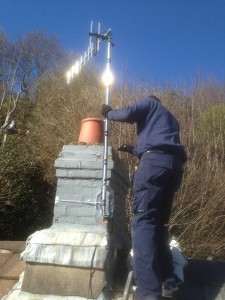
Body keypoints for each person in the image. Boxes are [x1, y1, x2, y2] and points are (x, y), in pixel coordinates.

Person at [101, 95, 187, 300]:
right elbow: (160, 144)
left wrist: (108, 113)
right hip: (174, 167)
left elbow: (129, 112)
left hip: (154, 164)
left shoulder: (150, 104)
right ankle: (168, 281)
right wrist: (134, 149)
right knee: (158, 224)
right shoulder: (170, 119)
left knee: (144, 222)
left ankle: (148, 292)